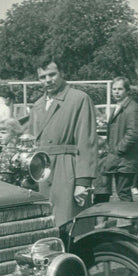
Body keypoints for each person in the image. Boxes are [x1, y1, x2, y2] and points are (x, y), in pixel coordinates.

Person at [27, 56, 96, 229]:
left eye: (52, 74)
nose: (48, 80)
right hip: (41, 171)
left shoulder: (79, 99)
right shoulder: (37, 105)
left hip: (67, 170)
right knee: (45, 225)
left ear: (61, 73)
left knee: (69, 224)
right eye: (42, 77)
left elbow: (86, 142)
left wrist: (83, 183)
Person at [94, 76, 138, 203]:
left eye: (120, 89)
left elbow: (133, 133)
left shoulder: (132, 108)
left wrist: (117, 150)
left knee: (123, 192)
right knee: (112, 189)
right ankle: (120, 219)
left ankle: (129, 221)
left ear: (127, 90)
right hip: (118, 158)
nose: (116, 92)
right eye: (114, 89)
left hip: (126, 159)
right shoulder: (120, 106)